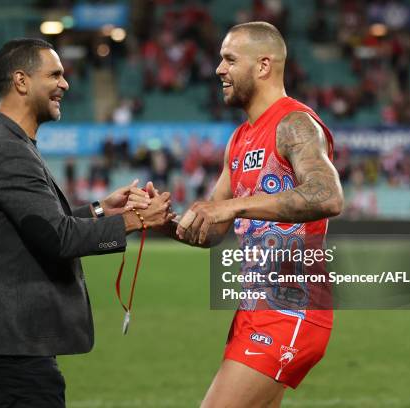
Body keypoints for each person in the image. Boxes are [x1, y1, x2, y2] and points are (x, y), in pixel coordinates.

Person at [0, 38, 173, 408]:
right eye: (55, 74)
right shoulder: (7, 150)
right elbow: (58, 239)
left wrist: (102, 210)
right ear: (21, 81)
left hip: (7, 336)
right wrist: (134, 220)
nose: (65, 84)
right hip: (8, 339)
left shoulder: (11, 143)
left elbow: (41, 225)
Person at [134, 22, 343, 407]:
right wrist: (159, 219)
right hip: (253, 311)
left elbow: (328, 195)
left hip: (290, 310)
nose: (218, 70)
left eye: (229, 59)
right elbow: (209, 231)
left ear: (263, 66)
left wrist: (231, 205)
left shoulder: (294, 123)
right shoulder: (240, 139)